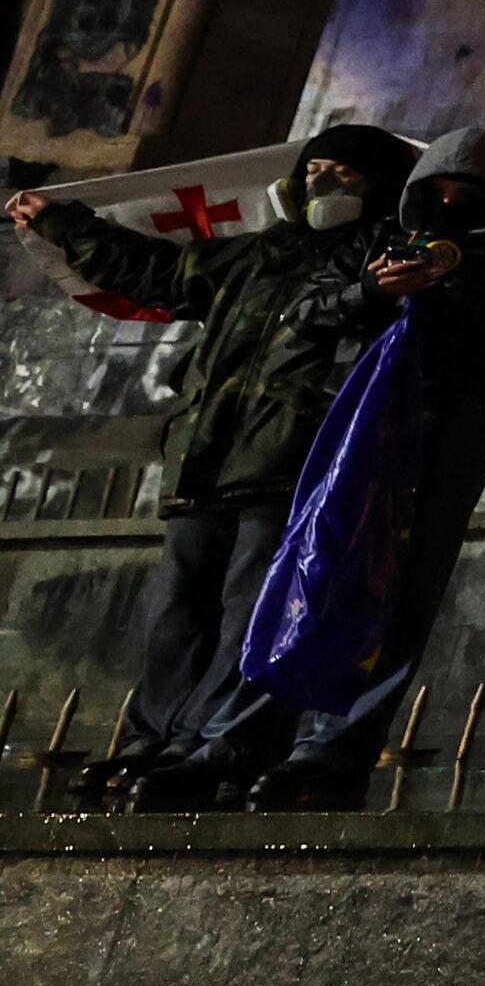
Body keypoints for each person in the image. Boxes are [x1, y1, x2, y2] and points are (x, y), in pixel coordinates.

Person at [12, 123, 424, 807]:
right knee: (176, 611)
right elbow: (152, 269)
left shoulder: (378, 262)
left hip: (288, 461)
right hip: (205, 458)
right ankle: (151, 742)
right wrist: (62, 222)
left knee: (246, 612)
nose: (322, 180)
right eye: (315, 166)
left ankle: (208, 747)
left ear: (378, 187)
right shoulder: (254, 255)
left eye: (343, 172)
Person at [247, 131, 485, 809]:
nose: (451, 202)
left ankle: (334, 748)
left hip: (449, 415)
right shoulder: (377, 239)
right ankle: (257, 731)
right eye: (439, 190)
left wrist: (460, 284)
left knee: (406, 584)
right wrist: (375, 292)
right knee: (316, 565)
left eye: (469, 193)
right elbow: (306, 310)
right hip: (362, 412)